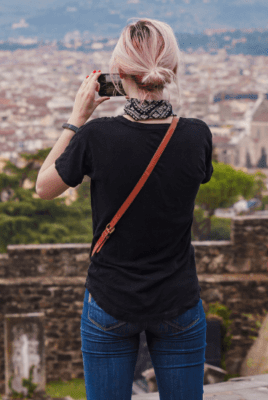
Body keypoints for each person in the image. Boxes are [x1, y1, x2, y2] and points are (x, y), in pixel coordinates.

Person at [36, 19, 213, 400]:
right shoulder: (198, 136)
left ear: (120, 74)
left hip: (110, 298)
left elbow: (43, 186)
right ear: (172, 70)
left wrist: (76, 119)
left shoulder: (95, 137)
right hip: (177, 297)